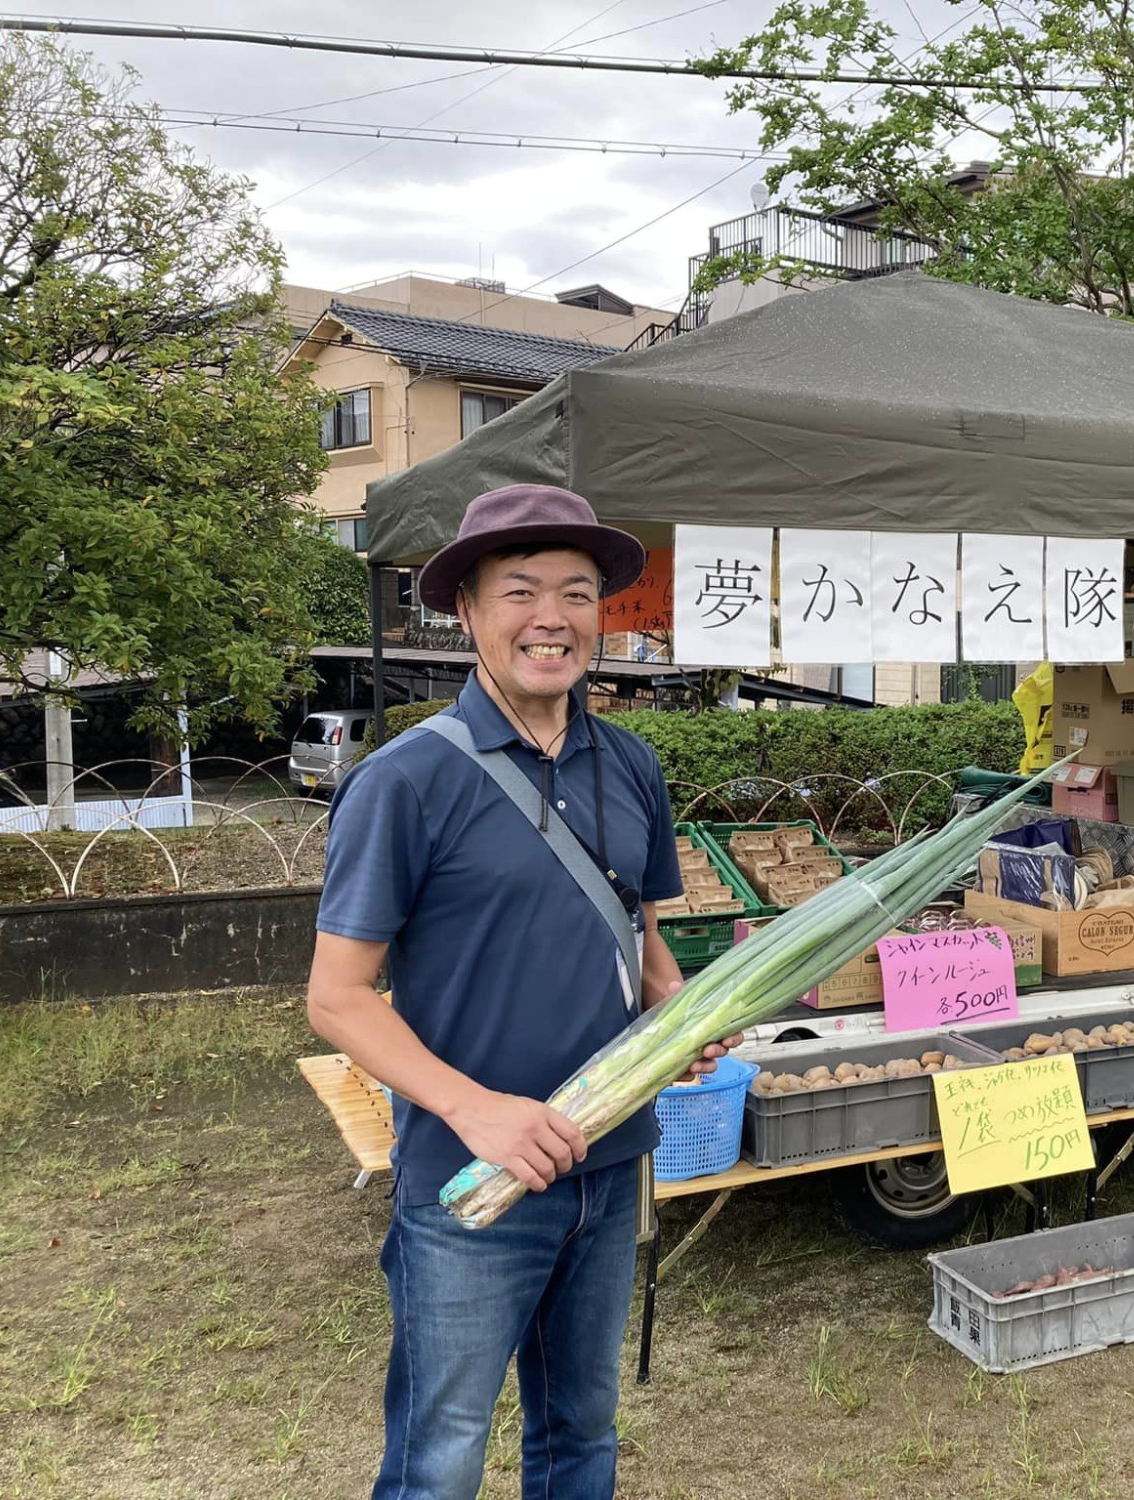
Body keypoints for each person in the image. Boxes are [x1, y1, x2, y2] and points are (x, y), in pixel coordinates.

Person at [306, 484, 738, 1499]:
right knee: (440, 1452)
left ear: (602, 616)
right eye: (521, 590)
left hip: (609, 1156)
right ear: (465, 611)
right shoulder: (405, 781)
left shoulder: (629, 765)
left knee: (581, 1433)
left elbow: (641, 938)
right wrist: (474, 1110)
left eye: (578, 593)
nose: (552, 616)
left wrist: (680, 1021)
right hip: (471, 1175)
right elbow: (338, 996)